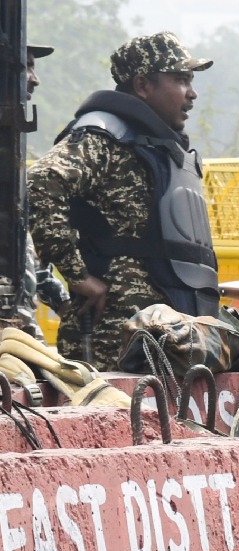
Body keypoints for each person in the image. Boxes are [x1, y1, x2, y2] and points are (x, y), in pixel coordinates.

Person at [28, 31, 217, 369]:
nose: (192, 93)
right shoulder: (103, 137)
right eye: (180, 79)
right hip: (113, 340)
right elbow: (41, 183)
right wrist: (76, 274)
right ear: (143, 85)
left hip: (167, 332)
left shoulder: (157, 146)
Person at [14, 43, 71, 341]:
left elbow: (24, 253)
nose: (35, 79)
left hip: (17, 330)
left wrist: (63, 301)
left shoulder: (9, 154)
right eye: (26, 68)